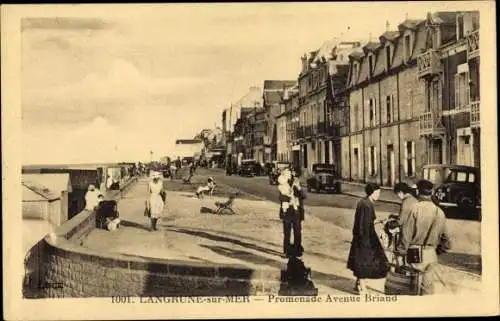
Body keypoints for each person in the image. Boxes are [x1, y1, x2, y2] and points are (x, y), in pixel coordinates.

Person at [395, 179, 451, 295]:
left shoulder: (414, 209)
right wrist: (437, 250)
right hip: (431, 254)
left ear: (418, 192)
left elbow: (406, 235)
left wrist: (400, 253)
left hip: (414, 253)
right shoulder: (439, 212)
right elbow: (446, 240)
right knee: (427, 288)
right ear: (431, 193)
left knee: (412, 287)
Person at [347, 183, 390, 293]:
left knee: (361, 261)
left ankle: (358, 284)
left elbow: (367, 221)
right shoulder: (366, 205)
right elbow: (363, 224)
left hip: (363, 236)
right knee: (365, 261)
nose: (379, 195)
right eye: (377, 193)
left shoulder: (365, 202)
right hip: (365, 238)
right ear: (372, 192)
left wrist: (380, 221)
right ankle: (362, 287)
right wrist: (364, 240)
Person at [384, 182, 419, 248]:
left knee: (400, 252)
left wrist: (388, 223)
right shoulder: (415, 200)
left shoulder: (405, 202)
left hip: (407, 233)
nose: (398, 197)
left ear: (400, 192)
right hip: (416, 232)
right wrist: (394, 216)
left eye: (397, 194)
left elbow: (400, 222)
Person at [278, 168, 302, 258]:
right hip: (287, 210)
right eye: (287, 173)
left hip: (295, 210)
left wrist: (298, 189)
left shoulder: (296, 182)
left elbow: (302, 195)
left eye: (290, 173)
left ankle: (297, 251)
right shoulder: (282, 185)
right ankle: (287, 251)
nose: (289, 174)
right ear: (284, 175)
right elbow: (281, 198)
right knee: (287, 232)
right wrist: (290, 198)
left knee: (297, 231)